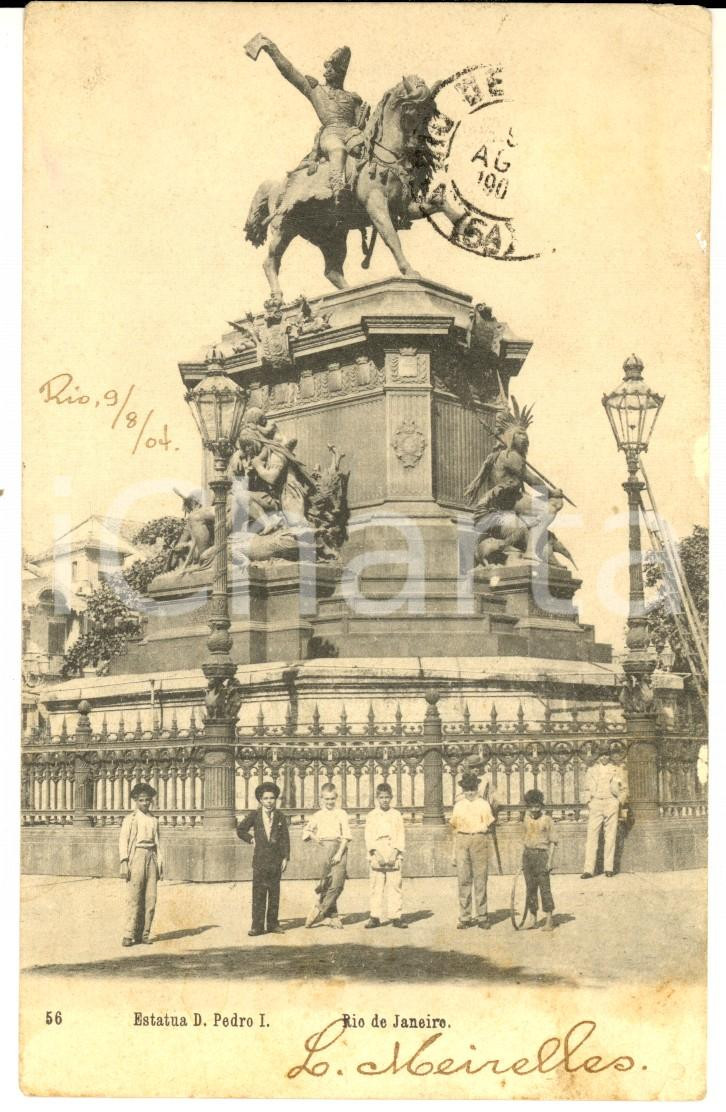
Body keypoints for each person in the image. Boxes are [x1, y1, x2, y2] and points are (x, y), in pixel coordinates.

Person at [251, 37, 367, 203]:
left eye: (332, 69)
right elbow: (289, 71)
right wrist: (271, 48)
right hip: (331, 134)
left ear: (340, 73)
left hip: (352, 133)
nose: (327, 72)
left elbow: (359, 124)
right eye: (327, 69)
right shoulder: (316, 90)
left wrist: (363, 121)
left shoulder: (352, 98)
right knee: (337, 149)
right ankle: (338, 188)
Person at [237, 781, 290, 936]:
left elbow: (285, 838)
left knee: (274, 893)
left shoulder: (280, 816)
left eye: (272, 798)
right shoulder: (254, 815)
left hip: (276, 861)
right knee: (259, 893)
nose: (269, 802)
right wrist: (251, 839)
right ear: (260, 800)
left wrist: (285, 857)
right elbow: (240, 830)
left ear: (276, 799)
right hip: (260, 861)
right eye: (265, 798)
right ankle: (257, 926)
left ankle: (273, 924)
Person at [119, 782, 164, 947]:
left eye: (147, 800)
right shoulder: (130, 819)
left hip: (151, 856)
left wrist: (160, 864)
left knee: (151, 897)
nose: (145, 803)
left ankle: (145, 934)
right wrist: (124, 861)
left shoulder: (154, 820)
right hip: (136, 856)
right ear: (136, 801)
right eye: (142, 800)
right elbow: (123, 840)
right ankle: (128, 934)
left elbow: (158, 843)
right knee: (134, 896)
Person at [449, 771, 496, 929]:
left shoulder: (483, 804)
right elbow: (454, 829)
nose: (470, 792)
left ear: (477, 788)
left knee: (480, 879)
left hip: (478, 840)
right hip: (462, 840)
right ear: (463, 790)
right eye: (467, 789)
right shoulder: (459, 806)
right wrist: (453, 852)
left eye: (473, 788)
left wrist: (480, 835)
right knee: (463, 879)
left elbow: (489, 824)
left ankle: (482, 916)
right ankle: (465, 917)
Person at [302, 783, 351, 928]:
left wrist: (339, 853)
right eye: (327, 799)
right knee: (327, 883)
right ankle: (333, 916)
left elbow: (346, 836)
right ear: (321, 798)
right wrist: (315, 837)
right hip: (324, 848)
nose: (330, 802)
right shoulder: (318, 815)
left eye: (332, 799)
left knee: (338, 883)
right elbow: (306, 832)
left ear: (336, 798)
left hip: (340, 848)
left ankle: (319, 908)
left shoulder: (341, 813)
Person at [364, 782, 407, 930]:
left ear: (391, 798)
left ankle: (396, 916)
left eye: (387, 797)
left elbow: (400, 835)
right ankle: (375, 916)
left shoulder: (396, 815)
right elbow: (368, 837)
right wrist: (376, 854)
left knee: (395, 886)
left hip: (392, 851)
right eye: (381, 797)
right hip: (378, 852)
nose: (384, 800)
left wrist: (395, 853)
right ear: (377, 798)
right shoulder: (372, 815)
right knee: (376, 886)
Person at [581, 751, 628, 879]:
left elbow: (624, 788)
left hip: (610, 802)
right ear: (598, 756)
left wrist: (618, 802)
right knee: (592, 836)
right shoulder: (592, 770)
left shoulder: (616, 770)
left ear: (610, 756)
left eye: (606, 755)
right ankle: (588, 870)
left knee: (610, 836)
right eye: (601, 755)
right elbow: (586, 788)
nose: (604, 757)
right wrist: (589, 801)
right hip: (596, 803)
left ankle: (609, 868)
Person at [520, 788, 558, 931]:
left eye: (537, 806)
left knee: (545, 888)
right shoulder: (525, 818)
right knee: (530, 888)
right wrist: (522, 859)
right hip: (527, 856)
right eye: (531, 807)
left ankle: (549, 920)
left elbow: (554, 841)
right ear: (528, 807)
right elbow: (524, 839)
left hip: (541, 856)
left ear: (541, 806)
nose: (534, 810)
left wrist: (550, 861)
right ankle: (533, 919)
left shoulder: (547, 820)